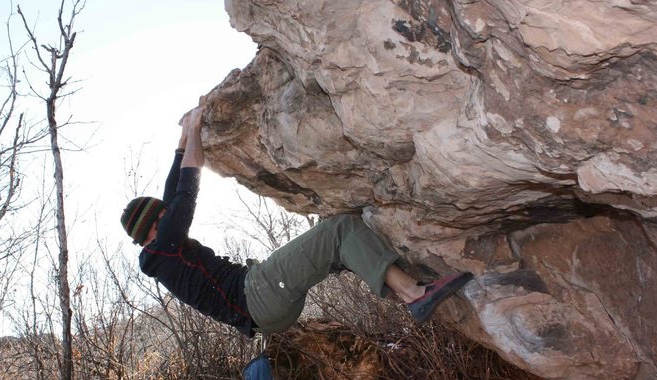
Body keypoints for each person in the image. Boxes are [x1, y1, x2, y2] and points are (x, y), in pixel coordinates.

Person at [121, 107, 472, 339]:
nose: (168, 214)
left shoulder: (161, 252)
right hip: (257, 293)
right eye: (162, 217)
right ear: (153, 229)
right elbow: (184, 192)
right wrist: (196, 128)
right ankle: (413, 294)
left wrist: (183, 138)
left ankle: (395, 285)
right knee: (340, 228)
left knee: (338, 252)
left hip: (264, 312)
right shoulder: (165, 250)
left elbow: (171, 195)